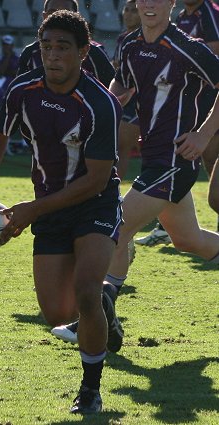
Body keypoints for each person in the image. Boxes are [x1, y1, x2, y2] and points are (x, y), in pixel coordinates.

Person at [0, 11, 123, 414]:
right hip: (49, 206)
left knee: (84, 291)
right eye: (46, 46)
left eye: (62, 47)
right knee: (58, 312)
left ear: (83, 53)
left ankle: (90, 390)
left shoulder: (99, 104)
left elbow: (96, 181)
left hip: (94, 204)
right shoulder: (23, 90)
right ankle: (103, 301)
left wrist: (31, 210)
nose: (52, 55)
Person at [53, 0, 219, 346]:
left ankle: (97, 320)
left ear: (171, 3)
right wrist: (98, 117)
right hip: (154, 160)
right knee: (189, 240)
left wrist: (203, 134)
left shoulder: (187, 48)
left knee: (114, 227)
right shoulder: (129, 44)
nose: (149, 5)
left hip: (175, 161)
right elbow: (121, 87)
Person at [136, 0, 219, 245]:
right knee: (193, 232)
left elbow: (211, 57)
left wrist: (203, 131)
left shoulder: (209, 14)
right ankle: (164, 224)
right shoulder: (183, 15)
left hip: (207, 109)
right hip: (197, 112)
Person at [16, 0, 115, 88]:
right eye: (52, 12)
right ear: (44, 17)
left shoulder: (94, 52)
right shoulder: (30, 53)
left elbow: (111, 92)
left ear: (76, 16)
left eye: (66, 12)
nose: (59, 17)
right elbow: (19, 93)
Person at [112, 0, 141, 179]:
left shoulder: (143, 37)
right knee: (115, 146)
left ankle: (115, 191)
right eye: (127, 9)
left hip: (137, 100)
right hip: (121, 97)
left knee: (122, 147)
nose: (128, 14)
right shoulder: (123, 38)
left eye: (134, 11)